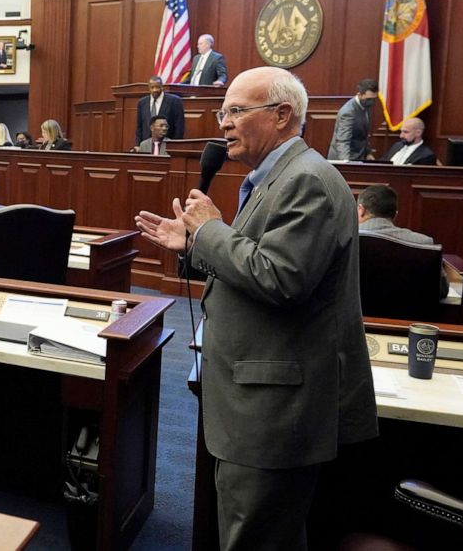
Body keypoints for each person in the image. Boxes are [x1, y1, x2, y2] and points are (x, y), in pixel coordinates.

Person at [134, 66, 377, 550]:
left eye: (237, 111)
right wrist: (194, 246)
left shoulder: (306, 180)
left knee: (257, 539)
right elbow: (253, 267)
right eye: (223, 111)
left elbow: (281, 278)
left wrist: (209, 231)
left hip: (275, 409)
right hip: (257, 400)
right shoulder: (275, 178)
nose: (223, 123)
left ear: (283, 115)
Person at [328, 78, 379, 161]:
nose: (371, 102)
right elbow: (343, 140)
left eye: (374, 99)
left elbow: (364, 136)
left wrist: (368, 152)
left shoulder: (366, 107)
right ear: (359, 95)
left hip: (358, 157)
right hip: (345, 158)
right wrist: (345, 163)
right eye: (369, 99)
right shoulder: (348, 112)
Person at [134, 75, 185, 146]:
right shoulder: (142, 102)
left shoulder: (175, 101)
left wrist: (176, 146)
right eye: (152, 87)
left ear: (162, 87)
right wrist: (137, 145)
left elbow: (179, 127)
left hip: (167, 145)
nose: (155, 90)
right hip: (146, 146)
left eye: (157, 87)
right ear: (149, 88)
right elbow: (139, 127)